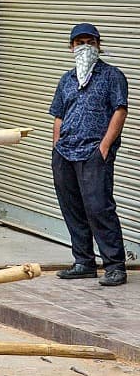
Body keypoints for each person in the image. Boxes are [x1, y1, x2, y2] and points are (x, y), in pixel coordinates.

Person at [50, 23, 129, 286]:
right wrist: (56, 144)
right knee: (72, 208)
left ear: (98, 44)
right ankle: (83, 261)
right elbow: (59, 114)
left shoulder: (112, 76)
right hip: (65, 153)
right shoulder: (67, 79)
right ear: (71, 47)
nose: (84, 46)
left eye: (89, 41)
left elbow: (120, 110)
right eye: (79, 42)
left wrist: (105, 146)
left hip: (94, 152)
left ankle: (115, 265)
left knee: (99, 207)